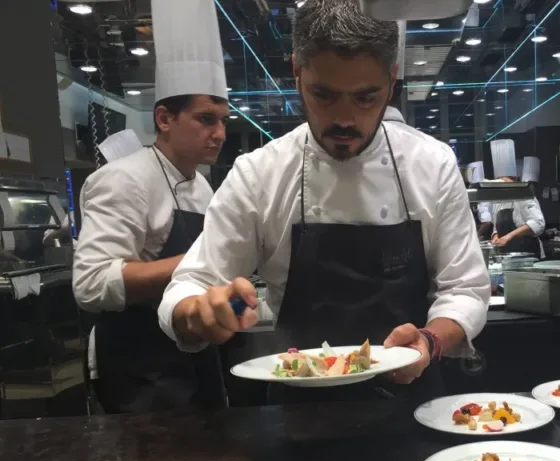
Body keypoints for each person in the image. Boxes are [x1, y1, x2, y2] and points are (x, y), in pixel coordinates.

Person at [157, 0, 490, 403]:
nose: (345, 119)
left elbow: (466, 289)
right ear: (297, 72)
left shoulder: (431, 163)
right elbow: (188, 285)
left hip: (414, 403)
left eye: (366, 98)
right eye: (324, 95)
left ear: (393, 78)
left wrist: (430, 340)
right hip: (298, 412)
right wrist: (198, 312)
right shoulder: (259, 173)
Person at [72, 0, 231, 413]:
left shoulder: (203, 189)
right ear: (164, 118)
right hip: (139, 365)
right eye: (206, 119)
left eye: (223, 122)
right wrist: (196, 263)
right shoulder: (124, 179)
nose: (219, 133)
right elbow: (90, 284)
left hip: (195, 354)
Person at [478, 194, 545, 257]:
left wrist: (509, 236)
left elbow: (538, 223)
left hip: (527, 253)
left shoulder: (524, 196)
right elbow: (496, 228)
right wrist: (495, 236)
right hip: (507, 255)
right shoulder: (498, 201)